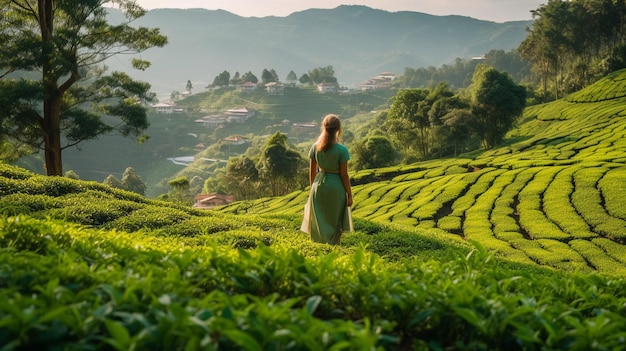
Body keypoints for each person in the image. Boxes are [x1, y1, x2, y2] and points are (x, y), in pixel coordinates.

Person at [301, 114, 353, 245]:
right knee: (335, 219)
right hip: (336, 186)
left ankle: (318, 245)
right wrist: (349, 194)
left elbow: (312, 171)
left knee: (319, 217)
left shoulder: (315, 147)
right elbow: (344, 175)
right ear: (338, 129)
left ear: (324, 127)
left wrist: (313, 188)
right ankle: (333, 246)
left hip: (319, 184)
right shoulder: (342, 150)